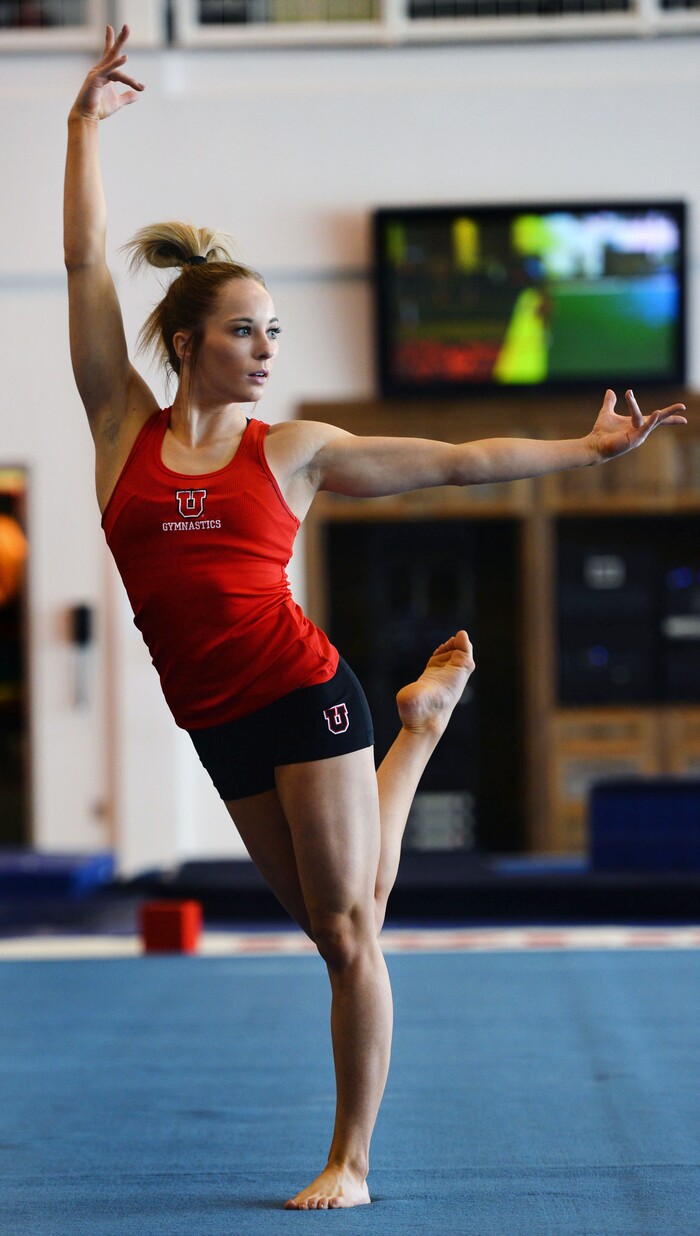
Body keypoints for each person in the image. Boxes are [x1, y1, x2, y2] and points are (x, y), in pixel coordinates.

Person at [64, 25, 687, 1211]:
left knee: (353, 932)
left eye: (276, 333)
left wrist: (584, 449)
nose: (264, 350)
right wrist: (80, 126)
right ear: (186, 342)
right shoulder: (117, 434)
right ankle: (419, 730)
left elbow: (455, 463)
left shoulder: (293, 451)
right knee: (326, 916)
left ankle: (350, 1160)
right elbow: (88, 260)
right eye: (244, 330)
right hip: (216, 720)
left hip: (303, 692)